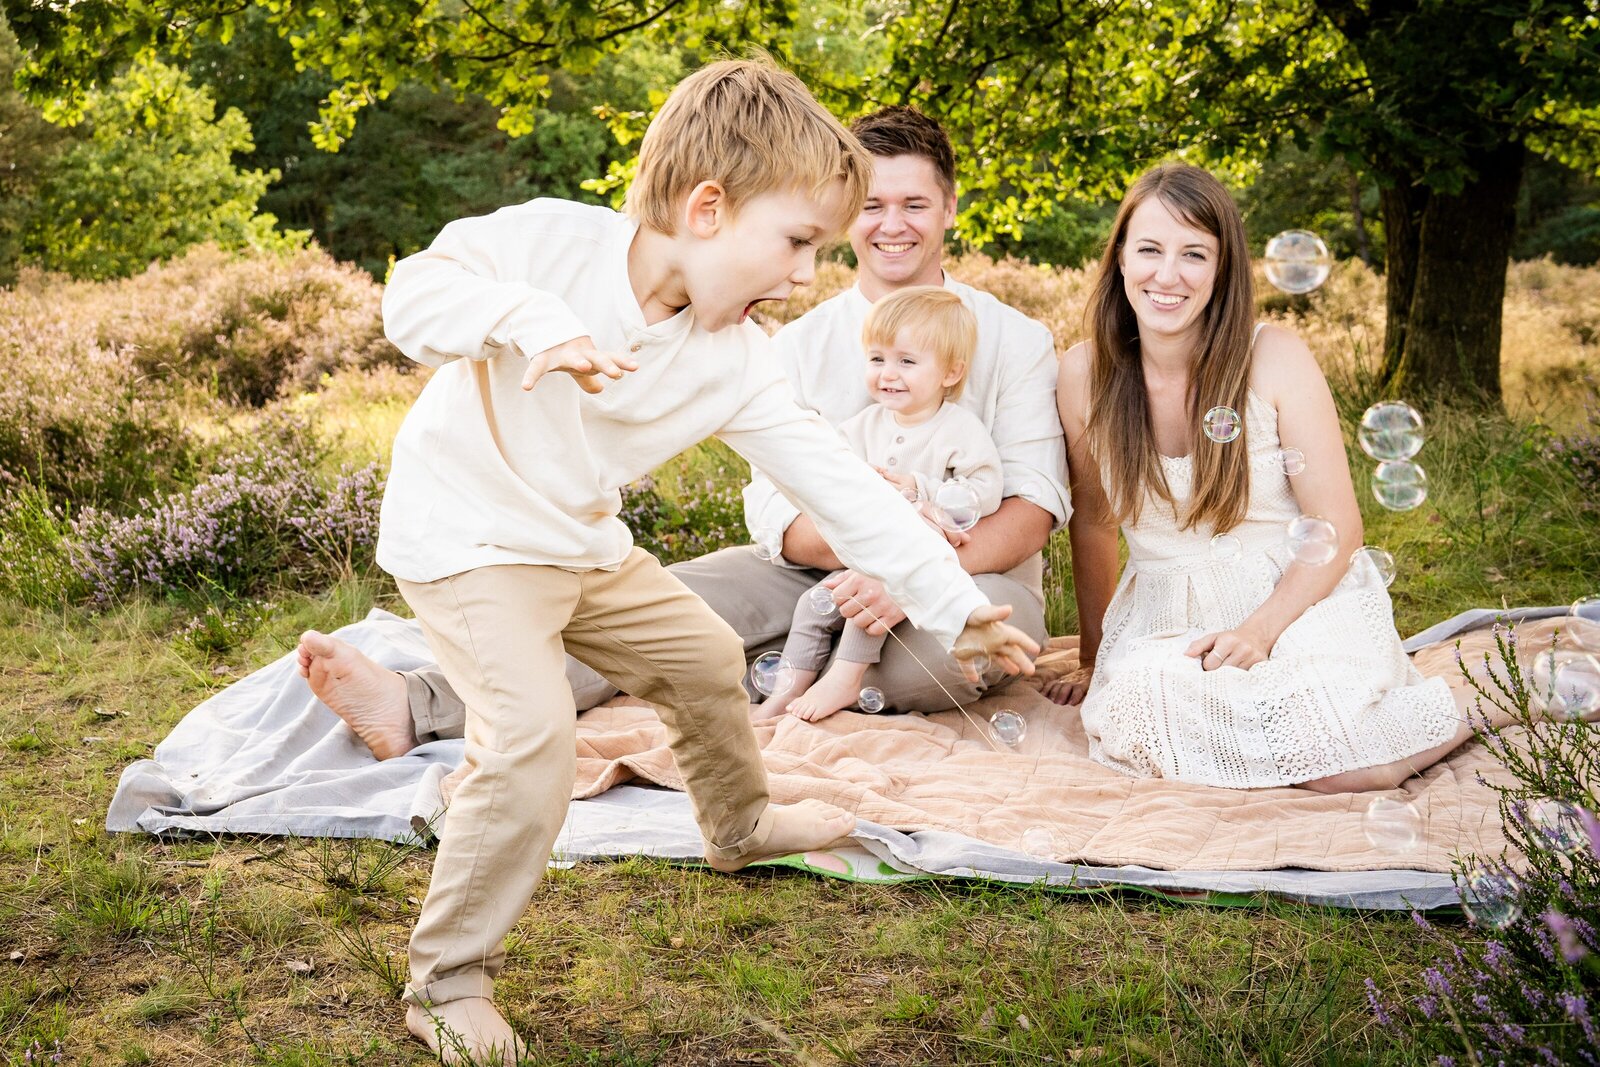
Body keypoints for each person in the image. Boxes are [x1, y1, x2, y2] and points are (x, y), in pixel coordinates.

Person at [367, 59, 1039, 1061]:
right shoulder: (552, 243)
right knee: (532, 737)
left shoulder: (738, 356)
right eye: (797, 242)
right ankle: (448, 980)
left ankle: (738, 824)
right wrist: (533, 321)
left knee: (703, 655)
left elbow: (845, 489)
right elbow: (414, 296)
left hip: (581, 543)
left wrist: (952, 603)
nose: (806, 276)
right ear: (709, 208)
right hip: (468, 541)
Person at [296, 104, 1068, 761]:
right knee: (678, 608)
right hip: (807, 567)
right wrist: (857, 559)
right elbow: (792, 502)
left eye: (915, 204)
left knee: (930, 655)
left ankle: (774, 669)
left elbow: (1030, 508)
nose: (890, 225)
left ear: (950, 207)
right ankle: (420, 703)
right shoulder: (775, 337)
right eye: (870, 207)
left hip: (966, 572)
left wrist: (922, 580)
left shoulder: (1013, 337)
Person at [1044, 161, 1490, 792]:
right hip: (1164, 616)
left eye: (1194, 254)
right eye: (1149, 249)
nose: (1167, 275)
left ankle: (1483, 703)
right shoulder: (1084, 373)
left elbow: (1337, 526)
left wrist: (1259, 631)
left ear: (1222, 269)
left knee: (1334, 757)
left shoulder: (1273, 357)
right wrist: (1093, 658)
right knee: (1143, 713)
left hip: (1292, 595)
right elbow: (1094, 522)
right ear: (1119, 257)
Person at [763, 285, 1004, 722]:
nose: (888, 374)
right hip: (867, 555)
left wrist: (922, 489)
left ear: (950, 372)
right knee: (813, 606)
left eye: (906, 362)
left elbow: (984, 487)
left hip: (917, 566)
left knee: (871, 596)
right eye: (877, 359)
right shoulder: (862, 426)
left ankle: (845, 678)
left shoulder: (959, 430)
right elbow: (831, 478)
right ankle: (784, 691)